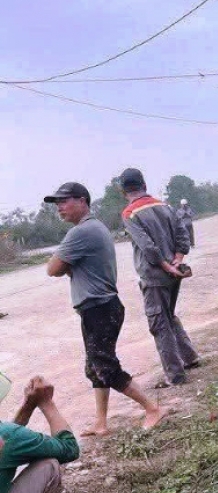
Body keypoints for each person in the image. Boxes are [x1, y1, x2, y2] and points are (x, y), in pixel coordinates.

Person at [43, 182, 166, 435]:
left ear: (82, 201)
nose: (60, 208)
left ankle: (153, 408)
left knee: (105, 367)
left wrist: (64, 264)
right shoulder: (93, 228)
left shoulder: (81, 232)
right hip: (99, 308)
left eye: (64, 201)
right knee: (95, 368)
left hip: (100, 309)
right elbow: (61, 268)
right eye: (57, 204)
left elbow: (53, 269)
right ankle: (101, 423)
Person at [118, 169, 200, 387]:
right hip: (174, 271)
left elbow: (147, 247)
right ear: (144, 184)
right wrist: (177, 260)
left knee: (159, 322)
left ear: (122, 190)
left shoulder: (129, 214)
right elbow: (183, 233)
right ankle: (189, 357)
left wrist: (165, 265)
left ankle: (175, 375)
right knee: (169, 315)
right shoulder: (165, 206)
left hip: (154, 275)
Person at [0, 376, 80, 493]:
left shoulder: (6, 435)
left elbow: (9, 442)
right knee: (49, 464)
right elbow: (70, 449)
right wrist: (46, 403)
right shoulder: (7, 436)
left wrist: (27, 408)